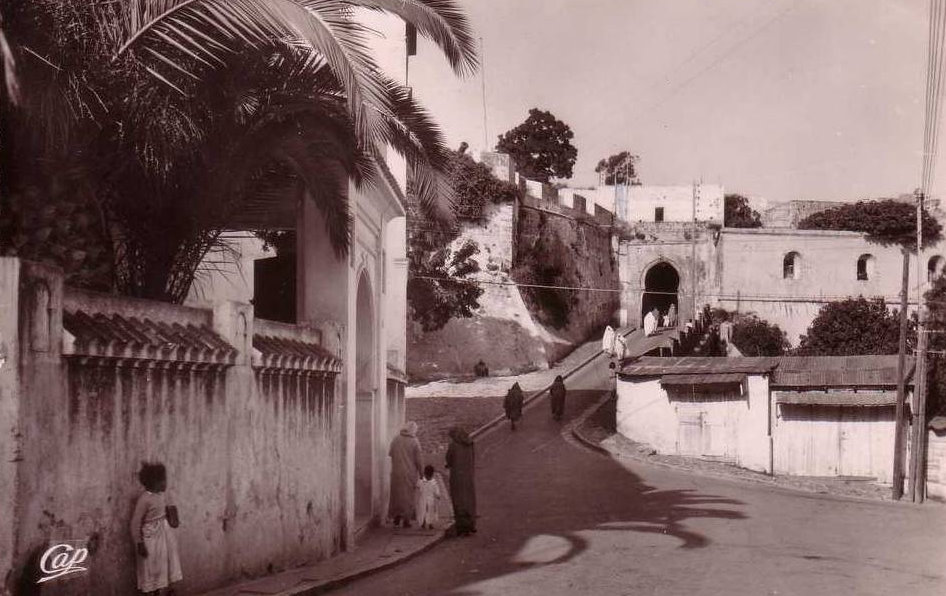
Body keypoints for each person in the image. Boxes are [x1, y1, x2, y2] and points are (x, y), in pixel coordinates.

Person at [130, 462, 182, 596]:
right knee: (150, 566)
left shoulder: (162, 495)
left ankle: (160, 591)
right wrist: (139, 543)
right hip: (151, 537)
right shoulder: (144, 499)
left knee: (161, 565)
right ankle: (150, 592)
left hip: (163, 536)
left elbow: (169, 513)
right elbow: (135, 523)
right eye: (163, 480)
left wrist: (172, 515)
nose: (166, 483)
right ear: (153, 483)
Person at [388, 421, 423, 528]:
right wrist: (422, 473)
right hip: (409, 473)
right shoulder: (414, 442)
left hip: (396, 472)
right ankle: (406, 520)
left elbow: (390, 453)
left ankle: (396, 518)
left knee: (396, 495)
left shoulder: (396, 439)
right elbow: (419, 460)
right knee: (408, 496)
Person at [445, 426, 477, 536]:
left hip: (457, 476)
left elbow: (449, 459)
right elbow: (473, 458)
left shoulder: (453, 445)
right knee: (469, 500)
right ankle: (470, 524)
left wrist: (448, 465)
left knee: (458, 500)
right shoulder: (470, 443)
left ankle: (462, 527)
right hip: (468, 476)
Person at [415, 465, 442, 530]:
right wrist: (438, 496)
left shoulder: (421, 481)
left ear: (424, 473)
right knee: (430, 512)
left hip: (422, 499)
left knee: (423, 511)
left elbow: (417, 488)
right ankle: (430, 524)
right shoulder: (434, 482)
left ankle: (423, 523)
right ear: (432, 474)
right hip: (430, 499)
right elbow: (437, 491)